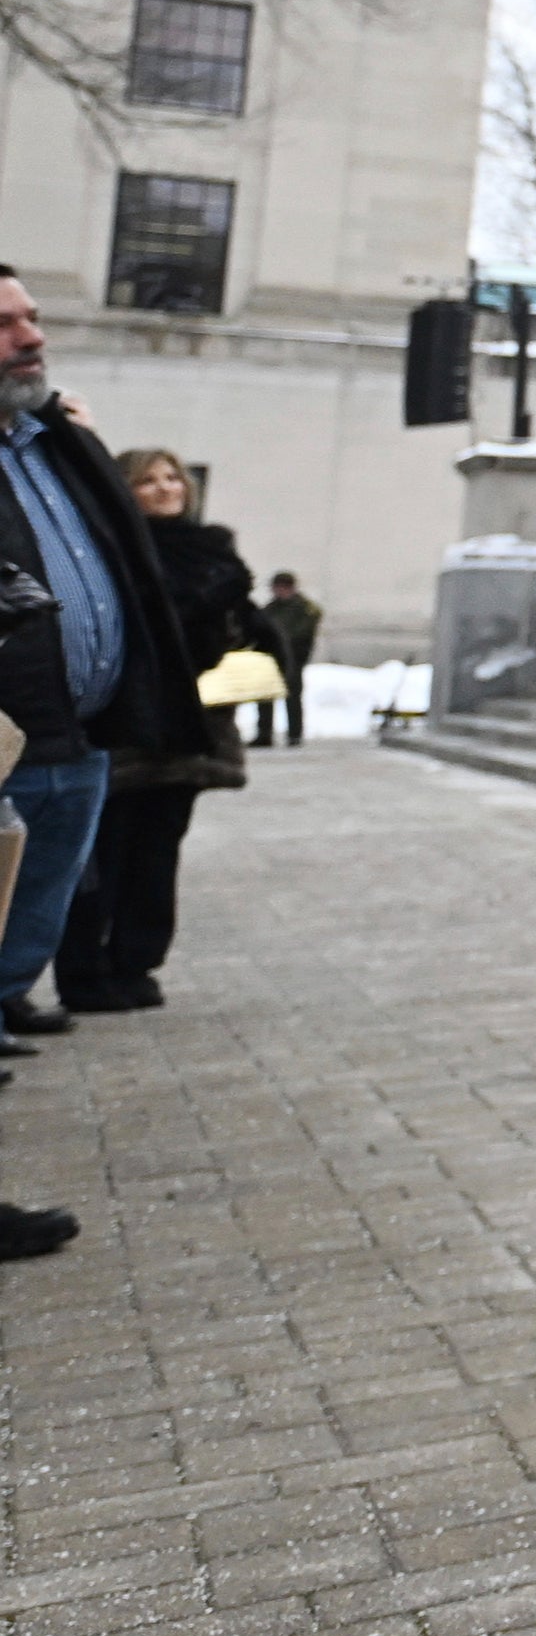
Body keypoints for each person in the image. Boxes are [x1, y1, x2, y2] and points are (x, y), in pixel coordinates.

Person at [0, 272, 221, 1203]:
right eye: (4, 325)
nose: (28, 336)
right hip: (11, 746)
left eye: (31, 318)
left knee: (15, 953)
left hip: (79, 743)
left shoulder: (54, 442)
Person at [54, 447, 252, 1016]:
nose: (166, 489)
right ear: (123, 490)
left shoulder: (212, 551)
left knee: (158, 849)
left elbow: (224, 635)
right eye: (147, 481)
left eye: (173, 478)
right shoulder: (109, 548)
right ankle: (84, 972)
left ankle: (137, 963)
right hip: (125, 720)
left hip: (189, 726)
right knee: (103, 853)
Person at [252, 572, 320, 744]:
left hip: (294, 658)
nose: (278, 591)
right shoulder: (271, 608)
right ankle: (264, 734)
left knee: (292, 697)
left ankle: (294, 734)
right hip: (272, 658)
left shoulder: (304, 608)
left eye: (282, 587)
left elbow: (302, 631)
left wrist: (279, 638)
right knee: (265, 696)